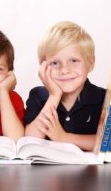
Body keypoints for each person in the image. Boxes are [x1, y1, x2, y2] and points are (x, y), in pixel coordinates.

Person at [24, 21, 106, 151]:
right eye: (55, 63)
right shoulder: (38, 96)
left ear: (91, 63)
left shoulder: (103, 98)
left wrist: (63, 137)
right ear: (43, 67)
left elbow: (108, 142)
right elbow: (30, 140)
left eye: (74, 61)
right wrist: (54, 95)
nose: (64, 70)